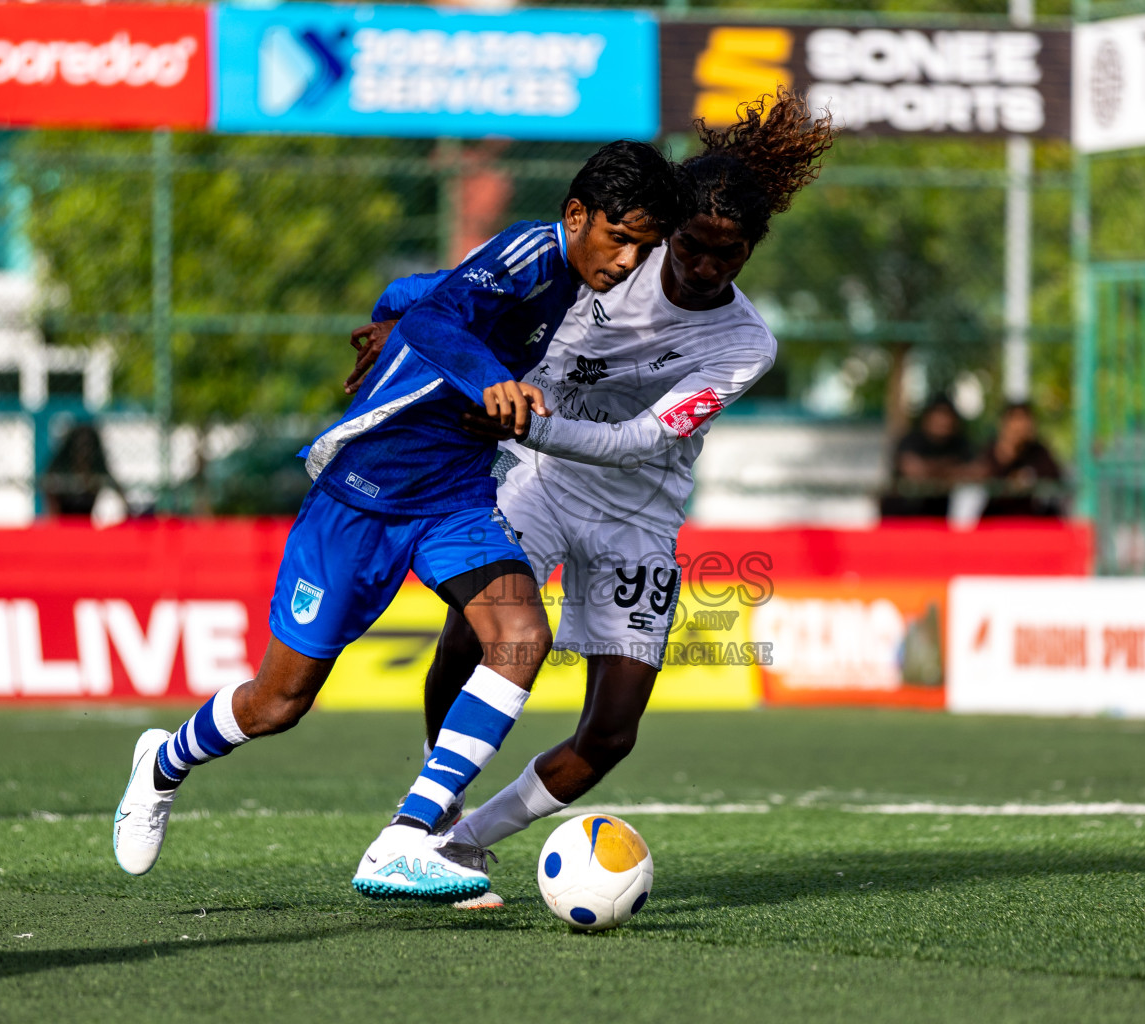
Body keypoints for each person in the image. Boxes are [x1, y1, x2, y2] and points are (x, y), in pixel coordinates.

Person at [111, 141, 690, 904]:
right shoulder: (529, 251)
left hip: (454, 498)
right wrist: (485, 375)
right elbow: (444, 312)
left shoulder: (583, 287)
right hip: (362, 497)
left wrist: (391, 315)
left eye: (644, 248)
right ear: (577, 215)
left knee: (521, 637)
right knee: (278, 702)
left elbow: (417, 292)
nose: (628, 260)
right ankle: (163, 763)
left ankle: (409, 836)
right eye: (620, 238)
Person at [347, 88, 836, 908]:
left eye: (730, 254)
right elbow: (465, 293)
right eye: (693, 245)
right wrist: (397, 313)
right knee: (472, 639)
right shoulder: (605, 262)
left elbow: (640, 441)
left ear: (751, 250)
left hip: (639, 515)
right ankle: (431, 821)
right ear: (668, 230)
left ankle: (467, 842)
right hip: (536, 484)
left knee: (610, 733)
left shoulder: (746, 344)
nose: (706, 266)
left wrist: (526, 422)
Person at [881, 395, 975, 518]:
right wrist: (948, 469)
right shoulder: (911, 440)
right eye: (939, 415)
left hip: (941, 516)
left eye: (947, 416)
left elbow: (974, 472)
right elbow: (913, 470)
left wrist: (933, 469)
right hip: (903, 515)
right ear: (927, 418)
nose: (943, 421)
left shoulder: (960, 444)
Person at [980, 402, 1064, 517]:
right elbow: (984, 477)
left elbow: (1054, 477)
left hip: (1033, 518)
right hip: (999, 518)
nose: (1021, 427)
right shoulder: (990, 452)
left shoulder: (1039, 452)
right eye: (1016, 421)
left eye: (1025, 421)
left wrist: (1028, 476)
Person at [41, 421, 122, 518]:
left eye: (88, 446)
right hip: (62, 517)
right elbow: (48, 488)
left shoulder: (98, 469)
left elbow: (117, 488)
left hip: (87, 518)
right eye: (80, 446)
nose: (84, 452)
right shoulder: (59, 468)